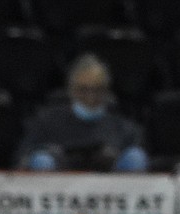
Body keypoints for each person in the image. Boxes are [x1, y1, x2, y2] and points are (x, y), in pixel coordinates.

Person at [17, 55, 147, 173]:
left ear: (107, 90)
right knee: (41, 160)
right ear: (71, 89)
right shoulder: (47, 123)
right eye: (83, 89)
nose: (91, 96)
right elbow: (22, 156)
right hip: (57, 186)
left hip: (112, 187)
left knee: (135, 157)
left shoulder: (124, 129)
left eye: (98, 89)